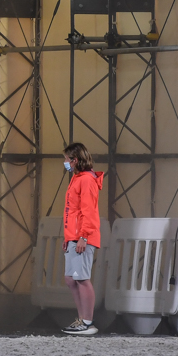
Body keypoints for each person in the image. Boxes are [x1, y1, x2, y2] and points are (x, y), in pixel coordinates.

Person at [61, 142, 103, 336]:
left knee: (81, 278)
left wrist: (83, 237)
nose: (65, 163)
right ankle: (82, 319)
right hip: (74, 237)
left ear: (75, 160)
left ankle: (86, 321)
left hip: (82, 238)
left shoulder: (86, 180)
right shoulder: (77, 179)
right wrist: (69, 237)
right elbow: (73, 211)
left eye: (67, 159)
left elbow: (89, 212)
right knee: (71, 279)